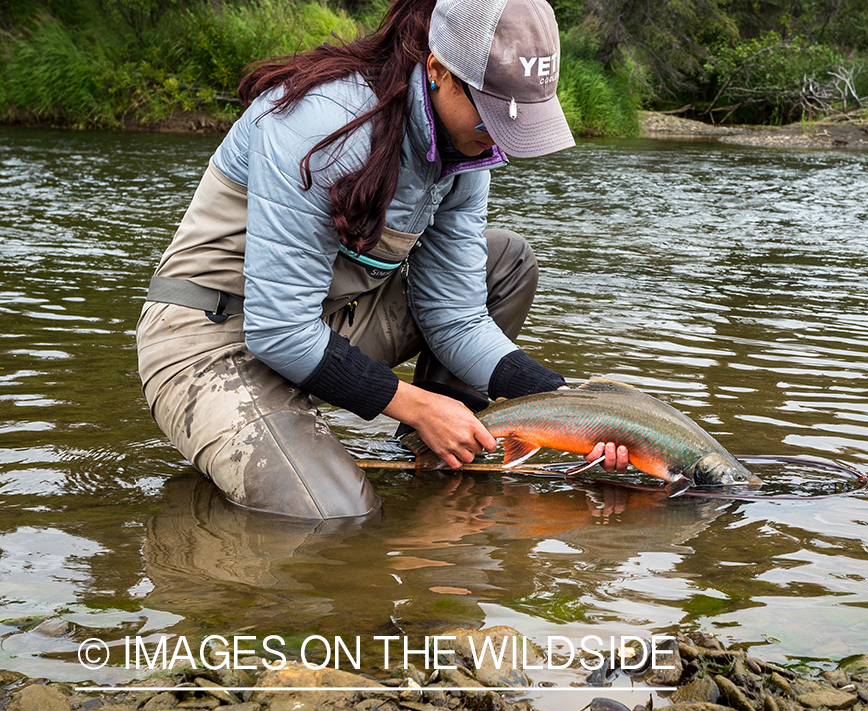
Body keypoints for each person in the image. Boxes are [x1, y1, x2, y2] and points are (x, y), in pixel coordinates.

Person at [136, 0, 628, 520]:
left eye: (518, 117)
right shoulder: (322, 124)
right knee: (337, 518)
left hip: (326, 325)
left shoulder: (468, 152)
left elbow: (456, 319)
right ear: (437, 69)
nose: (501, 136)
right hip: (212, 339)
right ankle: (396, 435)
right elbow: (278, 330)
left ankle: (427, 453)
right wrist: (417, 403)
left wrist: (576, 406)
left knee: (504, 260)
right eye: (491, 109)